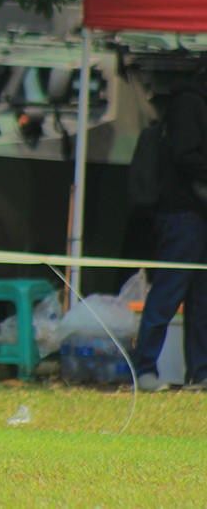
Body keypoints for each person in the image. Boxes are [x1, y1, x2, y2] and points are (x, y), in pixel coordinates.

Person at [132, 62, 207, 392]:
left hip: (197, 213)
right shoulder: (189, 102)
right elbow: (185, 155)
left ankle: (200, 373)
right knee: (167, 293)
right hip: (182, 213)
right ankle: (144, 369)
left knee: (201, 300)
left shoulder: (193, 101)